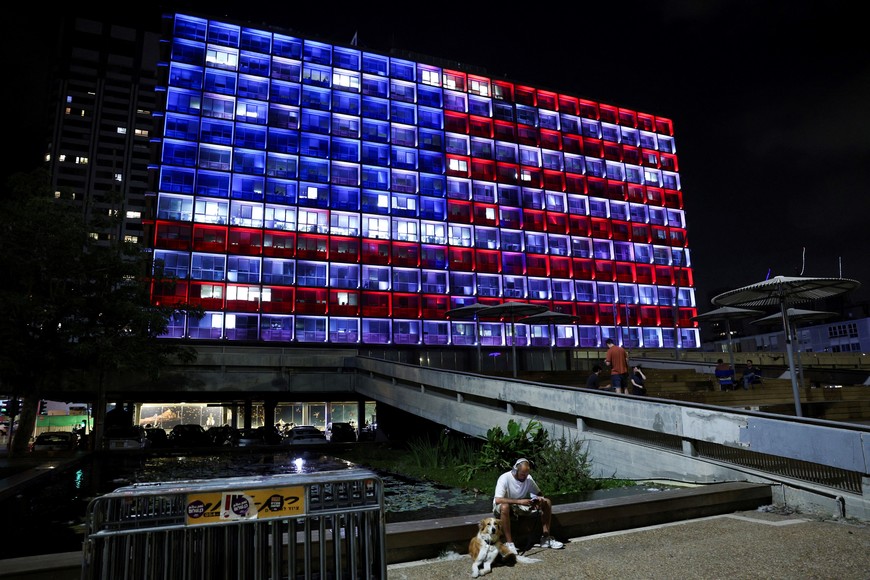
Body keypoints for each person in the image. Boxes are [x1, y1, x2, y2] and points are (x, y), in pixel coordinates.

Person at [493, 458, 564, 554]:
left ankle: (546, 537)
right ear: (515, 470)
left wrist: (538, 500)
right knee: (505, 506)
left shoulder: (528, 478)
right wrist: (520, 501)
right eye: (522, 474)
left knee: (547, 502)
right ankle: (510, 543)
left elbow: (539, 493)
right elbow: (498, 499)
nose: (524, 477)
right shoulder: (504, 478)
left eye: (526, 474)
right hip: (503, 506)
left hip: (519, 506)